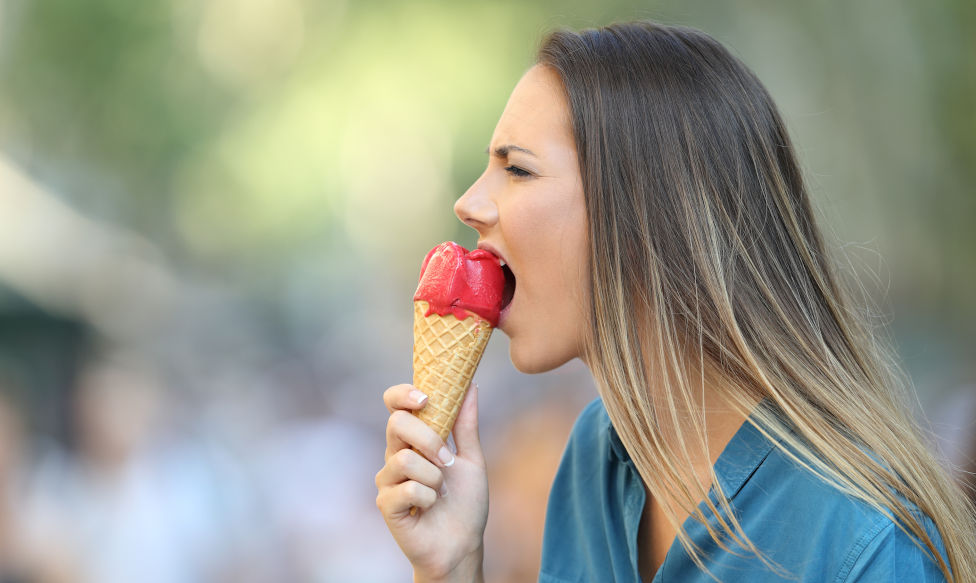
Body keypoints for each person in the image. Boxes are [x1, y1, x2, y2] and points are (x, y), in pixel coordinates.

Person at [375, 21, 976, 582]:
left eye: (518, 170)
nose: (468, 202)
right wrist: (454, 566)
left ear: (645, 218)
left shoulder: (863, 545)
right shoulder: (594, 464)